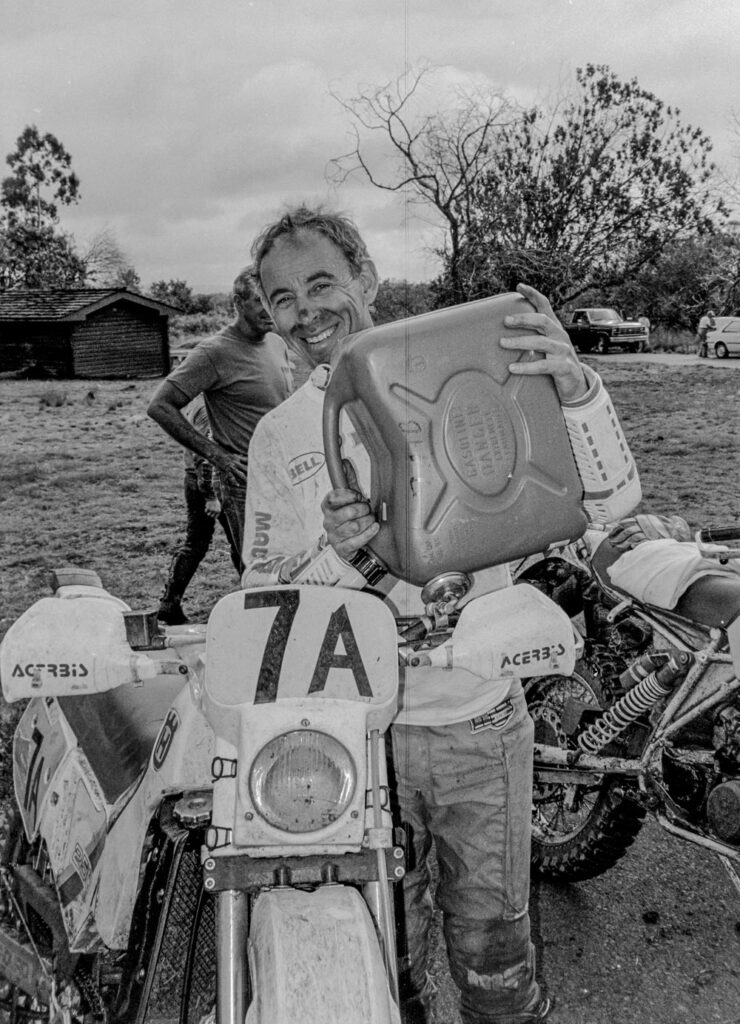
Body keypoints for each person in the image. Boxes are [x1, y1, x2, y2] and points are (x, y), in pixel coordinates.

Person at [241, 205, 641, 1024]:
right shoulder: (281, 437)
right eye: (282, 298)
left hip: (477, 723)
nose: (306, 310)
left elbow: (611, 500)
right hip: (352, 733)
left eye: (322, 283)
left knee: (493, 953)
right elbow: (261, 597)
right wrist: (339, 552)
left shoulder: (466, 368)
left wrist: (578, 390)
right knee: (384, 953)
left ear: (366, 281)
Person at [147, 266, 292, 575]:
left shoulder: (277, 343)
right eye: (257, 300)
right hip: (244, 482)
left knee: (290, 563)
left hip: (284, 476)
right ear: (237, 303)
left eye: (273, 298)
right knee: (258, 572)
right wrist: (218, 456)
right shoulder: (214, 352)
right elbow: (160, 406)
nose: (269, 308)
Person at [156, 394, 241, 624]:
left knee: (198, 543)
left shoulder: (201, 401)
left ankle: (169, 604)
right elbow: (204, 452)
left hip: (199, 479)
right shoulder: (208, 407)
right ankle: (252, 598)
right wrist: (211, 496)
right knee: (238, 542)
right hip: (211, 481)